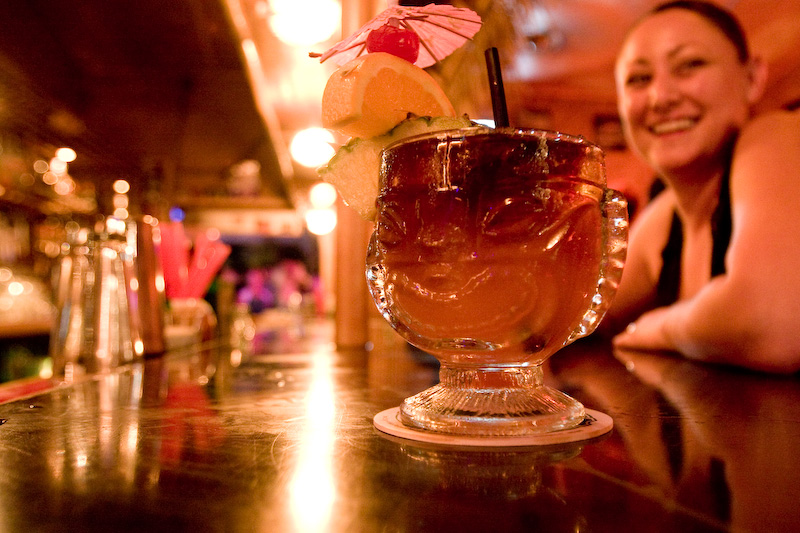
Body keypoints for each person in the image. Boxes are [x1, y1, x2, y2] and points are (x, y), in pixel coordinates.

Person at [604, 0, 800, 373]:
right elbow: (580, 315)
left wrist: (659, 328)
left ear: (753, 78)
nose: (662, 97)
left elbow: (773, 321)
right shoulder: (664, 221)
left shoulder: (776, 136)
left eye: (690, 65)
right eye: (639, 79)